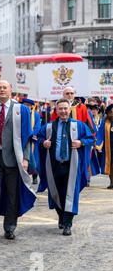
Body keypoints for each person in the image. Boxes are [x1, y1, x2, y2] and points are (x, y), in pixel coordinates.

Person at [0, 80, 36, 241]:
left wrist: (25, 158)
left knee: (12, 194)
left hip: (14, 159)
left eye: (5, 87)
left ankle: (10, 227)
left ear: (11, 90)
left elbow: (28, 136)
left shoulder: (21, 110)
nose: (2, 89)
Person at [37, 99, 94, 236]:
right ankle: (61, 216)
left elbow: (91, 138)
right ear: (56, 111)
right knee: (56, 193)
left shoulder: (79, 126)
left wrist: (81, 142)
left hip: (71, 165)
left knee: (70, 194)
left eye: (65, 108)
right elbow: (38, 138)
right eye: (60, 109)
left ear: (69, 110)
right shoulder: (49, 127)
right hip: (54, 165)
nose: (63, 111)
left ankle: (68, 223)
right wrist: (44, 142)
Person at [21, 98, 41, 185]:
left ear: (31, 107)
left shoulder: (35, 115)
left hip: (32, 139)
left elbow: (37, 126)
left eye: (28, 106)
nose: (26, 107)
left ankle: (35, 176)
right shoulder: (19, 114)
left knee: (34, 158)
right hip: (22, 139)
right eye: (24, 105)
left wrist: (32, 134)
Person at [95, 104, 113, 189]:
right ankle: (112, 182)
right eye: (111, 112)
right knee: (110, 165)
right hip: (109, 147)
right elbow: (100, 133)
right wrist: (98, 144)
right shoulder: (105, 121)